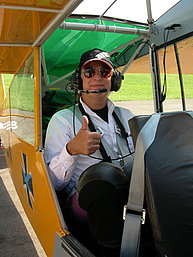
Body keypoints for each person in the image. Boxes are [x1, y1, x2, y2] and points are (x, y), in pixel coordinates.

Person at [45, 49, 135, 256]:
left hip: (129, 191)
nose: (97, 77)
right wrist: (72, 150)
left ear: (115, 80)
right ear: (79, 80)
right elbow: (54, 184)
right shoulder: (63, 120)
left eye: (104, 72)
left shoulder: (127, 115)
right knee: (103, 179)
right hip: (85, 199)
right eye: (89, 72)